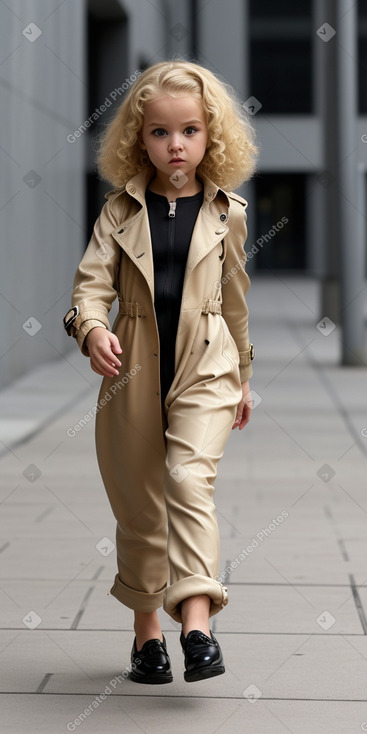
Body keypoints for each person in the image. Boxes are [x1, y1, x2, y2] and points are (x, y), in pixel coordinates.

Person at [63, 58, 258, 684]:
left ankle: (196, 622)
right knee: (140, 506)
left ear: (212, 136)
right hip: (132, 368)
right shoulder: (117, 213)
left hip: (207, 363)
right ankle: (148, 637)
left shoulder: (229, 212)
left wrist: (245, 377)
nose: (176, 144)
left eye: (191, 131)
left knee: (187, 480)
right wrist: (91, 329)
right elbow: (89, 291)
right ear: (138, 138)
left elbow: (235, 301)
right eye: (160, 132)